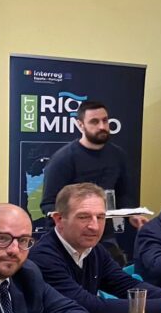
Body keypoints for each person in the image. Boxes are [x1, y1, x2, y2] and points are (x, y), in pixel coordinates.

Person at [31, 183, 161, 313]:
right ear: (59, 220)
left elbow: (126, 285)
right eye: (83, 217)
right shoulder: (44, 257)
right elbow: (89, 306)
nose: (94, 226)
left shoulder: (95, 250)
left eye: (100, 217)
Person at [39, 100, 147, 261]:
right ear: (80, 125)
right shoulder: (63, 159)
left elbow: (123, 194)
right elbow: (48, 204)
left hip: (105, 236)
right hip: (70, 240)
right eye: (94, 122)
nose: (102, 126)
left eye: (105, 120)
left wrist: (132, 214)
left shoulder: (118, 155)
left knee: (114, 271)